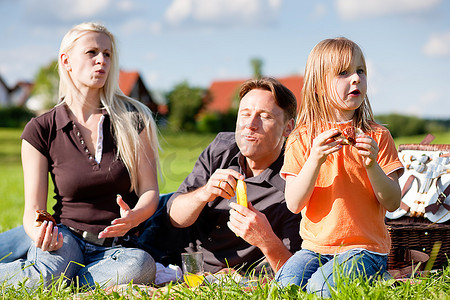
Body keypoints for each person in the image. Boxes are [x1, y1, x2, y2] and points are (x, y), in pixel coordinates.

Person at [0, 22, 160, 289]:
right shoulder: (41, 129)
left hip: (117, 249)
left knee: (141, 266)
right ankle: (67, 281)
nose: (102, 61)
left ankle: (63, 283)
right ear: (66, 61)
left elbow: (150, 190)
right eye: (92, 52)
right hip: (66, 239)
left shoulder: (134, 119)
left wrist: (136, 215)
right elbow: (33, 210)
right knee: (50, 272)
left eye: (107, 54)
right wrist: (41, 233)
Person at [274, 37, 404, 297]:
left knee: (321, 288)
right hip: (315, 248)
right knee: (284, 286)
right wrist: (315, 159)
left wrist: (372, 165)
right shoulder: (302, 138)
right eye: (343, 73)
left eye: (360, 71)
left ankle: (378, 273)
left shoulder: (377, 136)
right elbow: (294, 203)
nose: (355, 78)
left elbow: (393, 202)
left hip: (365, 248)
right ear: (319, 86)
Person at [138, 77, 302, 274]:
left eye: (265, 116)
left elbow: (296, 273)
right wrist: (204, 193)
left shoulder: (295, 183)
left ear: (288, 127)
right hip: (166, 249)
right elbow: (175, 218)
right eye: (245, 114)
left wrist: (265, 240)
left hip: (217, 274)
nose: (250, 124)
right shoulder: (222, 148)